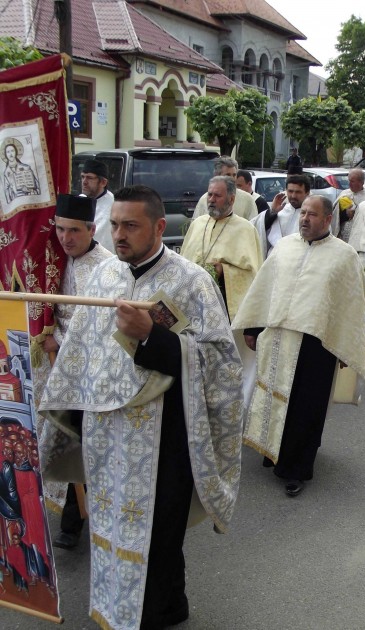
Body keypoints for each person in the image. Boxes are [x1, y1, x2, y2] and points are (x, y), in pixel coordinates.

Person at [39, 185, 244, 630]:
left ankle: (147, 618)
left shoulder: (192, 282)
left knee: (157, 538)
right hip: (106, 437)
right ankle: (169, 608)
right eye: (114, 225)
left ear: (158, 227)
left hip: (165, 437)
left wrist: (153, 336)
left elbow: (221, 365)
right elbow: (81, 354)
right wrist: (65, 417)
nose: (119, 235)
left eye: (130, 226)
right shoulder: (104, 277)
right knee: (111, 531)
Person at [232, 195, 365, 497]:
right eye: (303, 213)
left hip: (316, 345)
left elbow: (350, 305)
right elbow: (264, 289)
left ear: (328, 219)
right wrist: (254, 328)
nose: (305, 218)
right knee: (273, 397)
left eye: (312, 214)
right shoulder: (284, 246)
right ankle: (273, 451)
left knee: (306, 408)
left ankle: (297, 469)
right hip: (278, 336)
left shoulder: (344, 256)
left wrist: (346, 345)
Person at [39, 195, 113, 550]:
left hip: (89, 372)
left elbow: (101, 327)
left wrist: (58, 338)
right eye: (60, 229)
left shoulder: (108, 268)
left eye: (73, 231)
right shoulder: (50, 259)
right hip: (52, 365)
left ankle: (78, 520)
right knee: (55, 436)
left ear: (91, 230)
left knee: (84, 442)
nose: (65, 238)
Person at [181, 175, 262, 403]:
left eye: (217, 195)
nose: (212, 200)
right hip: (194, 306)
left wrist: (223, 270)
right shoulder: (198, 224)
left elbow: (252, 274)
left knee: (226, 367)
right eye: (210, 194)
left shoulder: (245, 230)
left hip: (225, 308)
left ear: (231, 199)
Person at [251, 173, 310, 257]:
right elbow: (255, 227)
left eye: (298, 192)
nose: (293, 196)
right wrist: (272, 212)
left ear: (307, 193)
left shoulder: (313, 215)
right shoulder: (281, 210)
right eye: (290, 191)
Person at [193, 156, 257, 221]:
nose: (232, 179)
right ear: (217, 176)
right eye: (228, 175)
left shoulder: (247, 200)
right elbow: (197, 226)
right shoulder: (204, 200)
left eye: (234, 175)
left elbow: (254, 226)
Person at [80, 159, 115, 252]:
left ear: (103, 182)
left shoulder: (114, 206)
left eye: (89, 178)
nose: (84, 182)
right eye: (83, 177)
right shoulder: (79, 200)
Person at [333, 168, 365, 241]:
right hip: (342, 235)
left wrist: (356, 213)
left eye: (352, 181)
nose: (349, 184)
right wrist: (345, 214)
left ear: (361, 182)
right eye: (349, 180)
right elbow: (335, 215)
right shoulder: (344, 193)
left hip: (358, 236)